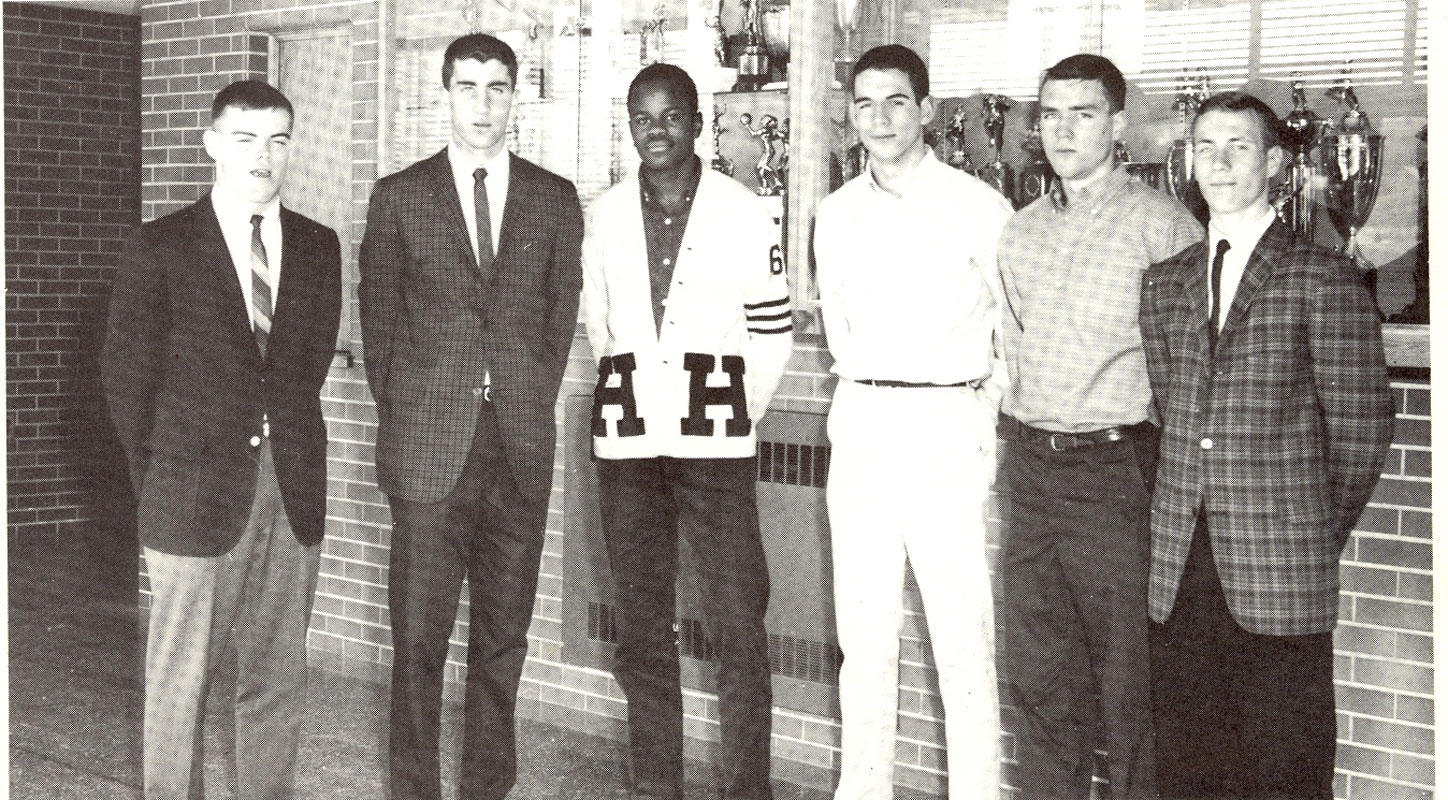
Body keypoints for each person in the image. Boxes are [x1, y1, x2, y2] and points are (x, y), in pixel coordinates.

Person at [1140, 91, 1394, 800]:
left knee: (1283, 766)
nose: (1218, 164)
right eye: (1205, 147)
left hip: (1281, 570)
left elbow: (1362, 428)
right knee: (1188, 765)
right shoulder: (1167, 282)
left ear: (1277, 162)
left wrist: (1307, 526)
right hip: (1180, 569)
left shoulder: (1321, 275)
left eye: (1238, 147)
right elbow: (1171, 413)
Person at [357, 33, 584, 800]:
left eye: (497, 87)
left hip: (516, 449)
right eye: (468, 86)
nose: (482, 103)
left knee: (502, 642)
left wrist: (519, 397)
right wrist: (421, 409)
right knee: (418, 642)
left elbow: (558, 323)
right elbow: (379, 325)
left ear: (515, 96)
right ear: (444, 94)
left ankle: (490, 788)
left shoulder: (553, 199)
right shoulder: (400, 196)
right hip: (428, 454)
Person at [101, 80, 341, 800]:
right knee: (181, 682)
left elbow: (307, 366)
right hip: (190, 495)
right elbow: (126, 376)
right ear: (212, 144)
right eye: (245, 139)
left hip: (290, 490)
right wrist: (163, 481)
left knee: (276, 678)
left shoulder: (319, 247)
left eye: (278, 140)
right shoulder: (161, 245)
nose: (263, 156)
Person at [582, 62, 792, 800]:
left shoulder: (743, 209)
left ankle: (747, 790)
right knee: (643, 629)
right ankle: (655, 786)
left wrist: (733, 412)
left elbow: (772, 333)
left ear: (698, 122)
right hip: (630, 442)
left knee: (738, 626)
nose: (658, 130)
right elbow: (600, 325)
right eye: (644, 118)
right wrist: (649, 391)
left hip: (716, 442)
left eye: (672, 115)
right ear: (630, 127)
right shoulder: (604, 214)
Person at [996, 53, 1201, 799]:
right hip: (1032, 472)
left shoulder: (1163, 226)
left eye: (1083, 113)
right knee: (1041, 680)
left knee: (1128, 686)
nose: (1062, 129)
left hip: (1116, 476)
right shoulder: (1019, 233)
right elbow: (1015, 348)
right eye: (1050, 113)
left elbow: (1188, 374)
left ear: (1118, 125)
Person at [814, 44, 1014, 800]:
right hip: (863, 420)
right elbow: (840, 329)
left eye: (896, 101)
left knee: (960, 639)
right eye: (865, 103)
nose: (880, 118)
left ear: (926, 109)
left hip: (943, 424)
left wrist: (975, 413)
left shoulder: (977, 206)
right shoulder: (834, 214)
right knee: (864, 639)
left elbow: (1011, 334)